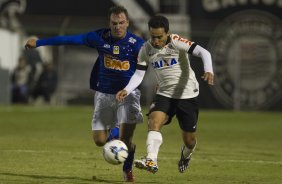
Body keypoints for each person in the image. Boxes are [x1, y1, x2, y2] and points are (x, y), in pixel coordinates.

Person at [25, 6, 144, 182]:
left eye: (121, 23)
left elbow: (149, 66)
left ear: (127, 23)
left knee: (125, 139)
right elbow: (69, 39)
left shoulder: (138, 44)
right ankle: (115, 133)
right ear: (109, 23)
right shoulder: (99, 37)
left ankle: (127, 170)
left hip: (128, 95)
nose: (117, 26)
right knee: (99, 140)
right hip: (104, 94)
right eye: (114, 23)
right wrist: (40, 43)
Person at [116, 15, 214, 174]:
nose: (156, 41)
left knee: (189, 141)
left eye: (159, 37)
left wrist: (209, 70)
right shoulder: (146, 49)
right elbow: (139, 75)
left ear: (167, 33)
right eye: (153, 37)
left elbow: (204, 52)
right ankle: (151, 160)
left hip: (187, 95)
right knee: (153, 122)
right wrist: (126, 89)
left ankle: (186, 155)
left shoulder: (176, 41)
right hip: (164, 95)